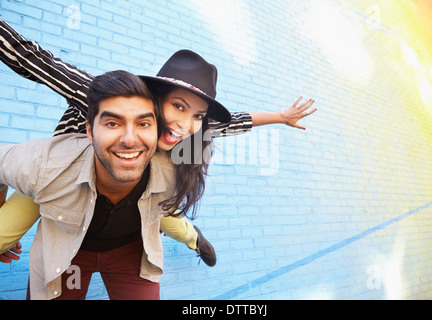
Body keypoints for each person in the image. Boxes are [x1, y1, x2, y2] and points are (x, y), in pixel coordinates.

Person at [0, 18, 317, 266]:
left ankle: (197, 240)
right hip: (65, 179)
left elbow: (232, 121)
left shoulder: (184, 139)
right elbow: (33, 60)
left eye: (196, 116)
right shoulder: (110, 99)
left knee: (173, 223)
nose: (184, 125)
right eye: (178, 107)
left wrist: (280, 116)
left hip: (141, 190)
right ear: (155, 98)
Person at [0, 70, 183, 299]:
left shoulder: (174, 171)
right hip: (70, 252)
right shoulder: (47, 164)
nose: (129, 139)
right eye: (112, 123)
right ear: (89, 130)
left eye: (144, 123)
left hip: (129, 252)